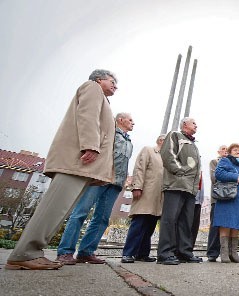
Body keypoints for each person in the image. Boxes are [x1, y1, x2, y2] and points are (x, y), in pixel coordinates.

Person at [6, 69, 117, 270]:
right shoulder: (92, 88)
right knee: (54, 206)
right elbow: (88, 116)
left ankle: (31, 252)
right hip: (77, 161)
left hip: (82, 164)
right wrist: (90, 145)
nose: (116, 86)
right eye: (112, 81)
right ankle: (25, 253)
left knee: (61, 209)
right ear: (99, 79)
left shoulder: (101, 97)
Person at [56, 112, 134, 265]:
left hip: (115, 183)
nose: (133, 122)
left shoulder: (129, 142)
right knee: (80, 213)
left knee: (102, 218)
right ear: (121, 120)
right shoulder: (109, 133)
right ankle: (65, 251)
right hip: (98, 178)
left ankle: (86, 252)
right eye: (130, 120)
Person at [157, 117, 202, 265]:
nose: (196, 125)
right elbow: (168, 154)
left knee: (185, 221)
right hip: (176, 184)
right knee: (170, 219)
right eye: (193, 123)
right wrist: (179, 171)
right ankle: (165, 253)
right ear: (184, 124)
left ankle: (184, 252)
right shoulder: (175, 135)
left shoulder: (193, 144)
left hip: (190, 188)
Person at [121, 135, 165, 263]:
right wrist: (137, 186)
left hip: (158, 197)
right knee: (139, 223)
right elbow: (140, 169)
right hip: (146, 193)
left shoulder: (165, 157)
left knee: (150, 225)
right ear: (161, 141)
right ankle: (128, 253)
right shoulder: (149, 150)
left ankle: (142, 253)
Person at [213, 143, 239, 263]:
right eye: (235, 150)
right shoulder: (225, 161)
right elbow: (218, 173)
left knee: (236, 224)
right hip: (228, 197)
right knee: (226, 222)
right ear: (230, 152)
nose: (238, 152)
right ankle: (224, 253)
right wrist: (234, 176)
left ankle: (233, 253)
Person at [206, 145, 228, 262]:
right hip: (218, 198)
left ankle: (226, 252)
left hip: (230, 198)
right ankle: (212, 253)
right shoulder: (214, 162)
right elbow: (214, 178)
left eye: (227, 149)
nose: (225, 151)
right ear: (218, 151)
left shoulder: (231, 163)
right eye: (223, 149)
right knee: (215, 225)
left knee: (228, 226)